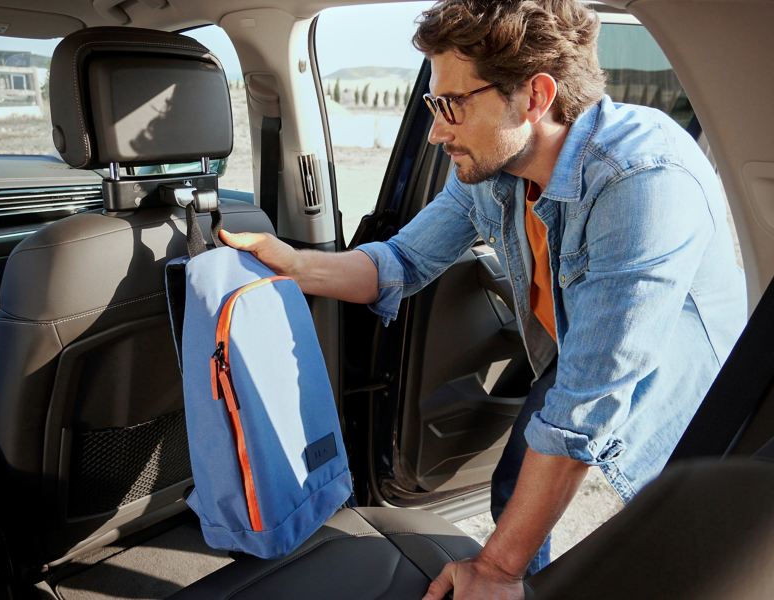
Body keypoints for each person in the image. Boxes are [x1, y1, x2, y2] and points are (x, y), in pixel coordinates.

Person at [220, 0, 747, 597]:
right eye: (431, 105)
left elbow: (587, 401)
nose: (437, 129)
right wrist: (295, 265)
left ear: (535, 96)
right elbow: (401, 262)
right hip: (584, 364)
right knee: (515, 481)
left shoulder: (641, 179)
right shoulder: (495, 169)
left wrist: (495, 569)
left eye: (451, 105)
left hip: (687, 399)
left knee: (672, 556)